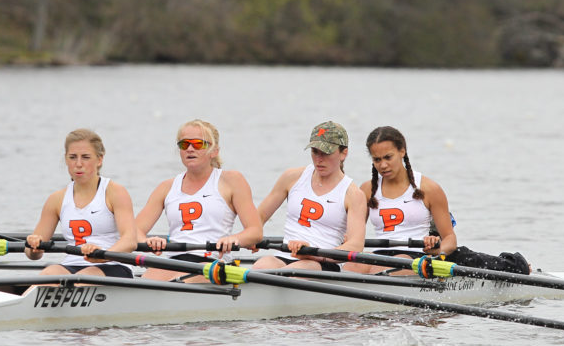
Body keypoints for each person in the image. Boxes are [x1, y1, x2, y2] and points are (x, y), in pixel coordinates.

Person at [362, 125, 530, 275]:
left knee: (380, 269)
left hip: (419, 258)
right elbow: (353, 234)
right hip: (380, 253)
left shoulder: (430, 189)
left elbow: (450, 239)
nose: (383, 165)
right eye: (377, 160)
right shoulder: (366, 190)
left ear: (402, 152)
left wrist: (438, 250)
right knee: (352, 266)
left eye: (388, 157)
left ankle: (517, 266)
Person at [136, 120, 263, 281]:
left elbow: (255, 231)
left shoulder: (231, 181)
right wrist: (147, 241)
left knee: (182, 282)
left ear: (214, 151)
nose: (190, 148)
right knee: (148, 279)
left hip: (214, 262)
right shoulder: (166, 187)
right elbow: (133, 231)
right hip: (174, 261)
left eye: (198, 144)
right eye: (184, 144)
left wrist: (235, 238)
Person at [252, 121, 368, 272]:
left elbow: (356, 245)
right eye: (315, 151)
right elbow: (258, 217)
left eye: (326, 153)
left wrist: (314, 255)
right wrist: (252, 234)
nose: (319, 159)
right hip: (284, 254)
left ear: (343, 153)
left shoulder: (353, 194)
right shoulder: (291, 177)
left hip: (323, 261)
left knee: (296, 271)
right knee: (261, 266)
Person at [25, 129, 137, 278]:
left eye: (85, 157)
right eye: (72, 157)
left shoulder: (115, 192)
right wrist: (33, 247)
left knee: (83, 278)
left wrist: (103, 255)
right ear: (66, 159)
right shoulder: (56, 199)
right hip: (72, 265)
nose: (78, 164)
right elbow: (33, 254)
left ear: (99, 159)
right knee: (47, 275)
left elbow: (130, 241)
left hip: (112, 264)